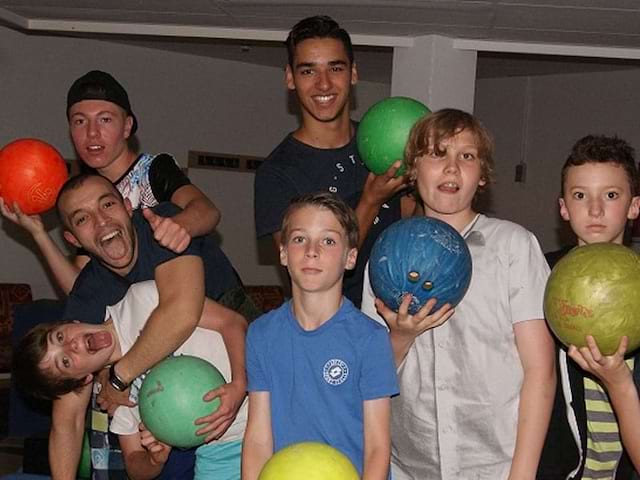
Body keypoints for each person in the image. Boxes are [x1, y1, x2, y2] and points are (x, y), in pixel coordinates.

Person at [361, 108, 556, 479]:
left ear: (482, 175)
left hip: (497, 467)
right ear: (413, 169)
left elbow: (540, 371)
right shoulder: (384, 256)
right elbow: (369, 379)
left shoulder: (513, 247)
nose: (452, 168)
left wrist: (522, 475)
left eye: (466, 156)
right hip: (409, 469)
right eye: (437, 154)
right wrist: (401, 337)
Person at [49, 173, 255, 480]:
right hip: (191, 413)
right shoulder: (87, 295)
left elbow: (181, 314)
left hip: (241, 352)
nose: (101, 221)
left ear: (128, 206)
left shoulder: (162, 228)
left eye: (107, 204)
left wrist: (117, 377)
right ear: (74, 240)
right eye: (82, 219)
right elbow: (68, 415)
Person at [0, 69, 221, 294]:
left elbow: (207, 211)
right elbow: (81, 292)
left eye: (105, 119)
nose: (92, 133)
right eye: (80, 121)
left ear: (126, 127)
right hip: (152, 312)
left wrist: (179, 226)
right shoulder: (84, 195)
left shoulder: (154, 169)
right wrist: (38, 234)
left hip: (211, 298)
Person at [13, 280, 247, 480]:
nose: (71, 346)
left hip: (266, 406)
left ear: (70, 323)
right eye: (64, 362)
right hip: (223, 448)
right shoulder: (116, 397)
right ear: (83, 380)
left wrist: (239, 384)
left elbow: (233, 323)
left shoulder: (141, 298)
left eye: (60, 336)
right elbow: (134, 465)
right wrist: (154, 460)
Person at [254, 15, 411, 307]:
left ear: (353, 73)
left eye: (335, 68)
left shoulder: (385, 145)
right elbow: (308, 274)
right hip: (326, 332)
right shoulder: (276, 173)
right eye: (308, 71)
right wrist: (371, 201)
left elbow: (420, 222)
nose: (323, 84)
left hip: (397, 320)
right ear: (290, 78)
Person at [242, 193, 399, 479]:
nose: (312, 250)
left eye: (328, 240)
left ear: (350, 257)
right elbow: (257, 439)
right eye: (300, 238)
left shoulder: (370, 338)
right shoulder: (260, 334)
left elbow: (377, 447)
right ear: (283, 252)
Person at [537, 134, 640, 479]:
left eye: (611, 195)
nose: (595, 210)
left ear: (634, 206)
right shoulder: (536, 277)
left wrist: (618, 382)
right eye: (580, 196)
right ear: (563, 207)